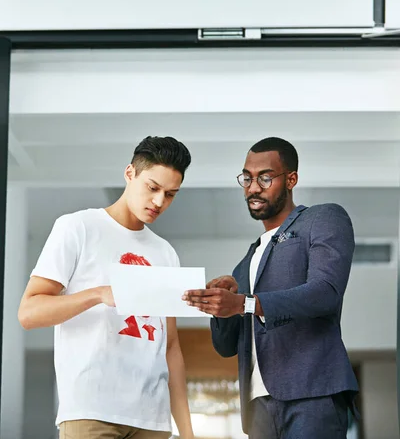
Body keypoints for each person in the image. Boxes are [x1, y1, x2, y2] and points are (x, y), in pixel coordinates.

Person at [19, 136, 194, 439]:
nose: (159, 202)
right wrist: (99, 294)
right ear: (130, 173)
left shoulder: (166, 253)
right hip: (91, 412)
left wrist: (188, 432)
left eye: (170, 194)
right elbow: (29, 313)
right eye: (152, 188)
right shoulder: (77, 228)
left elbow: (171, 348)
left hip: (153, 420)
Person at [183, 137, 358, 439]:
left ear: (291, 179)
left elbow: (325, 292)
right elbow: (226, 348)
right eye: (247, 178)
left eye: (265, 177)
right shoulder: (245, 263)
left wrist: (245, 304)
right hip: (257, 408)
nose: (253, 187)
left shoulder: (322, 218)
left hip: (311, 394)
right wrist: (220, 308)